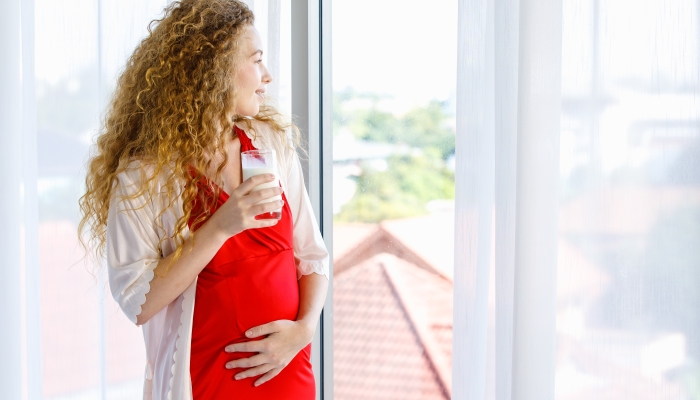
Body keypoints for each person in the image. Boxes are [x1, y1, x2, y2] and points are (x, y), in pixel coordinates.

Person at [78, 1, 329, 399]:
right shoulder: (145, 176)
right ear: (213, 69)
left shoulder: (269, 143)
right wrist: (220, 226)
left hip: (287, 374)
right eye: (257, 61)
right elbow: (137, 301)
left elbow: (312, 257)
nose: (268, 76)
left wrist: (303, 331)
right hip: (203, 383)